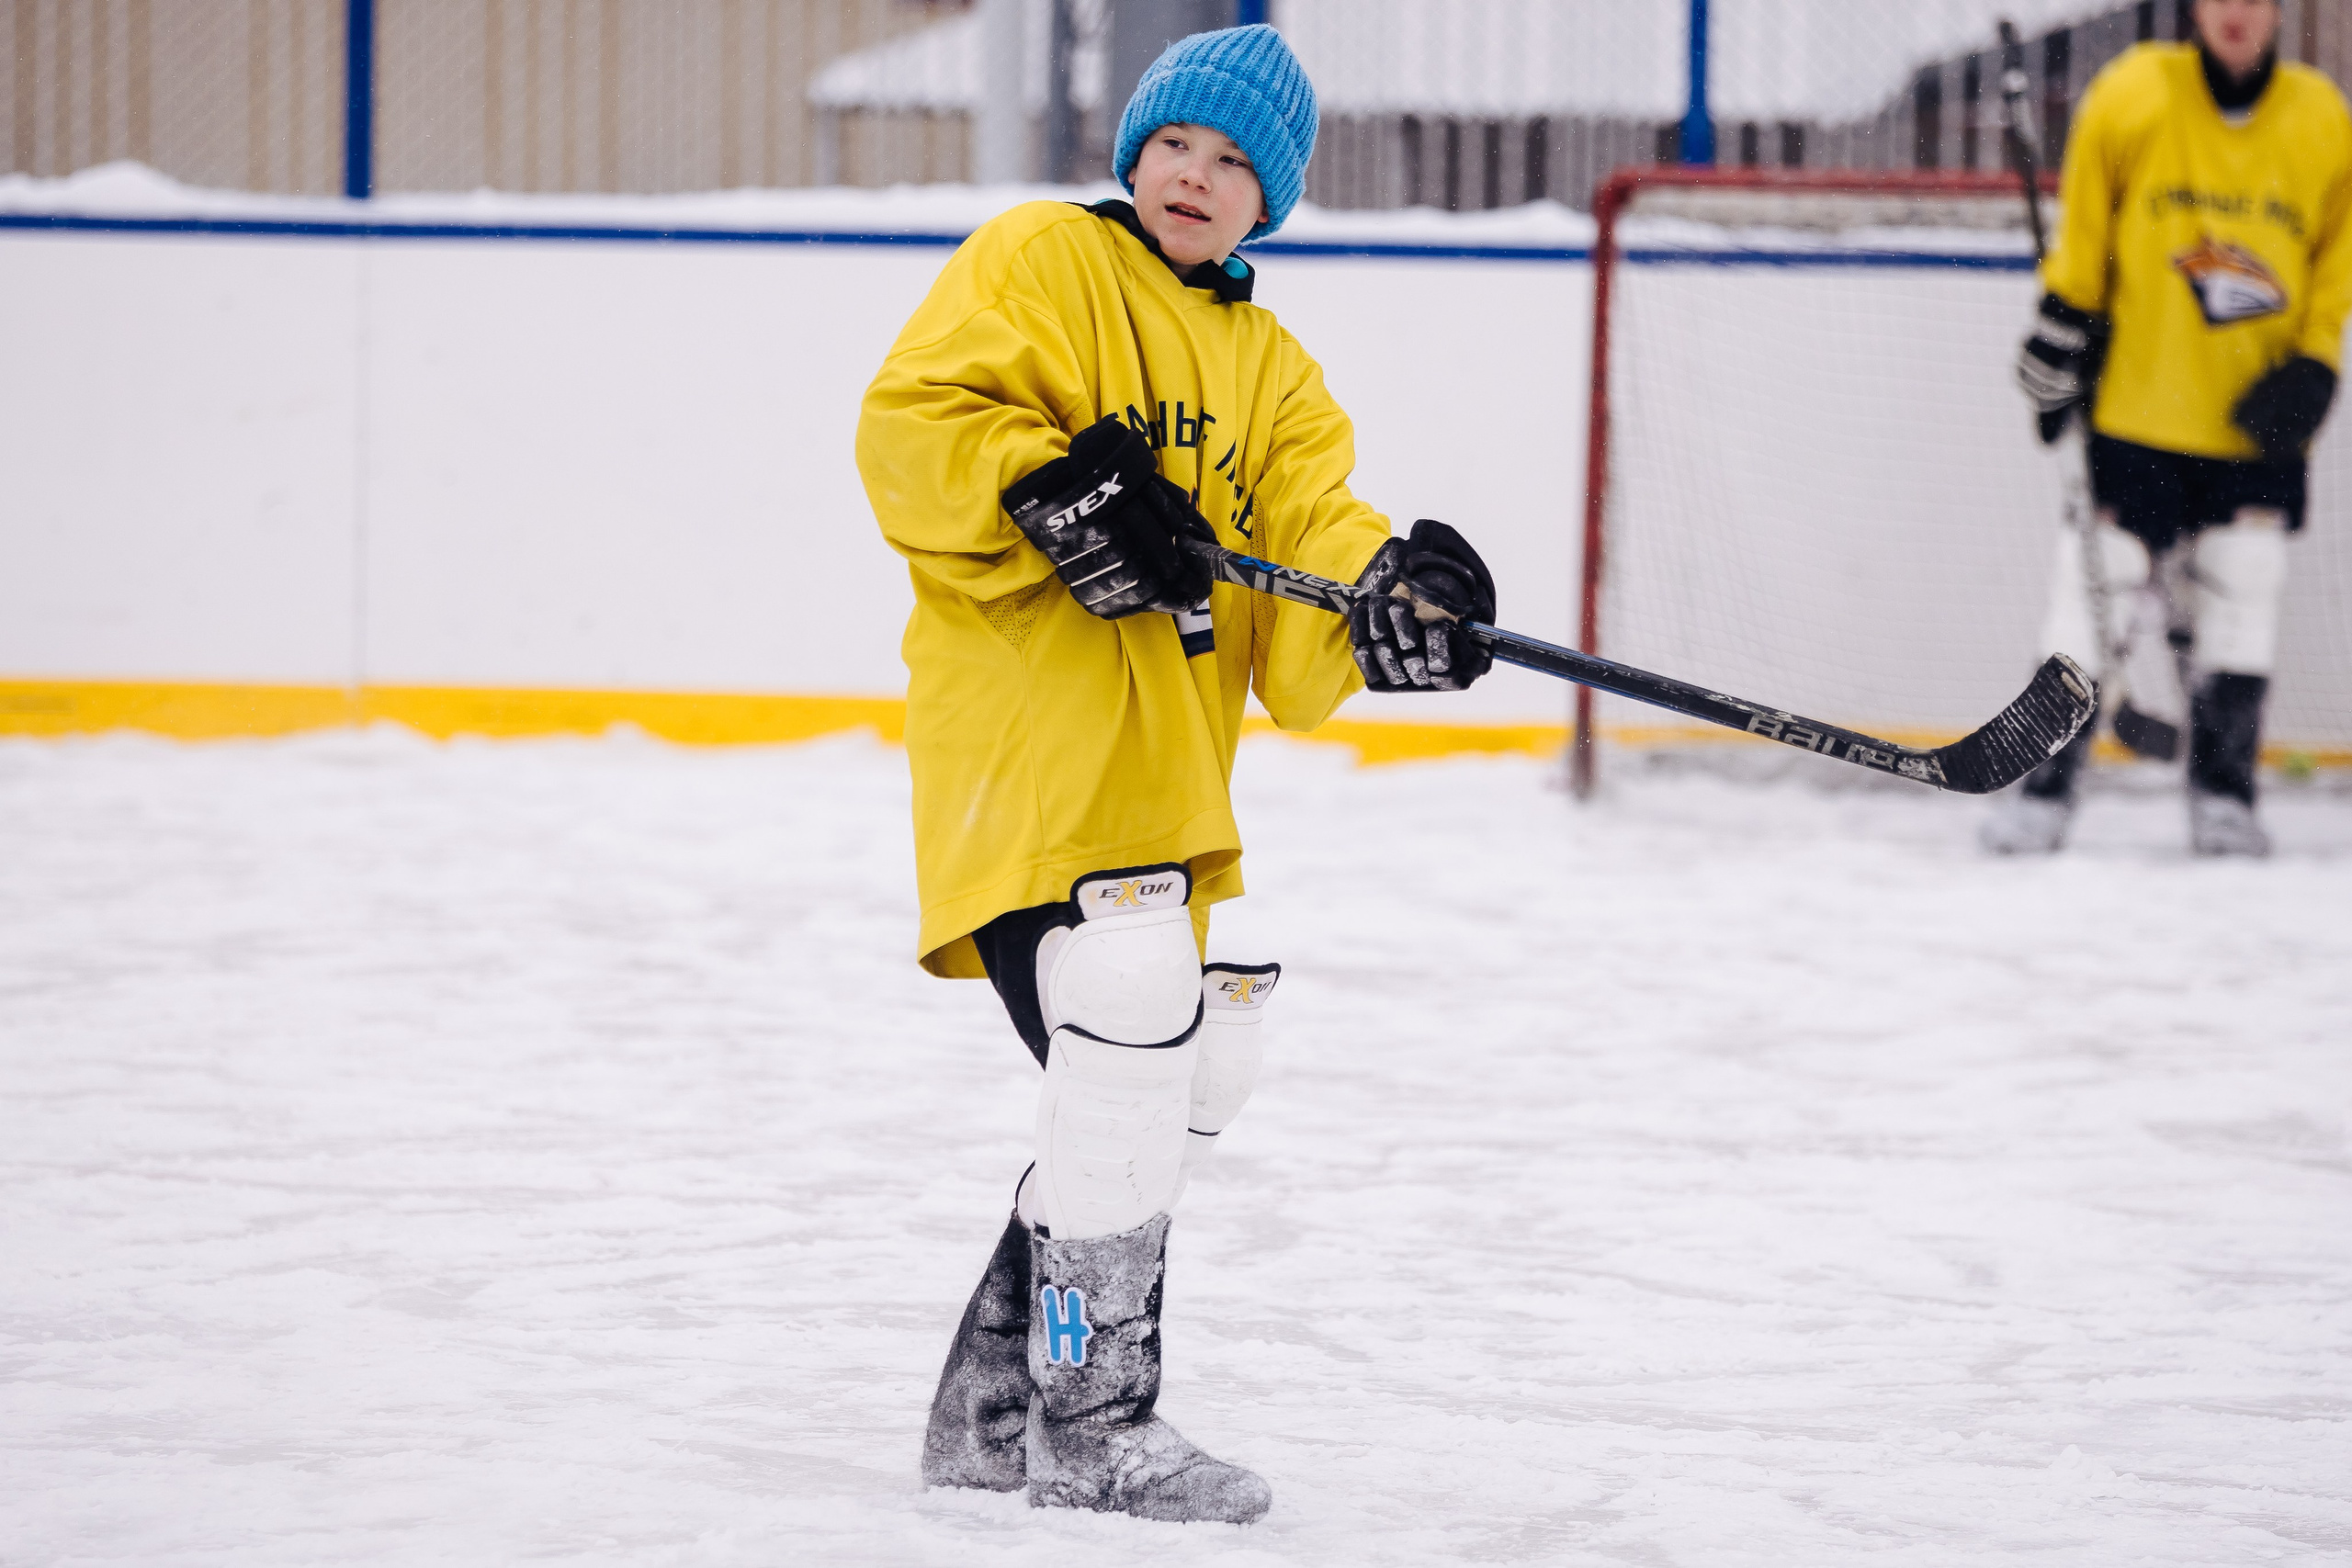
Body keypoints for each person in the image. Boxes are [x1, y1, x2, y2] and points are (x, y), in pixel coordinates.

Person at [854, 25, 1495, 1525]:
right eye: (1174, 147)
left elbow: (1313, 536)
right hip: (1026, 745)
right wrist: (1050, 479)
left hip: (1166, 777)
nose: (1195, 178)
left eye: (1232, 164)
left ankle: (996, 1398)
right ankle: (1090, 1420)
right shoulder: (1039, 261)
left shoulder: (1269, 366)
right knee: (1135, 1014)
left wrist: (1393, 599)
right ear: (1133, 151)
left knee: (1194, 1062)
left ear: (1271, 200)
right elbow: (912, 427)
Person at [1987, 0, 2351, 856]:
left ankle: (2224, 797)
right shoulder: (2132, 93)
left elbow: (2335, 262)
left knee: (2244, 590)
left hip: (2254, 430)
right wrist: (2060, 331)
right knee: (2094, 594)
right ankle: (2045, 790)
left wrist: (2315, 364)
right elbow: (2083, 246)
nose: (2235, 12)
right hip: (2137, 413)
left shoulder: (2321, 119)